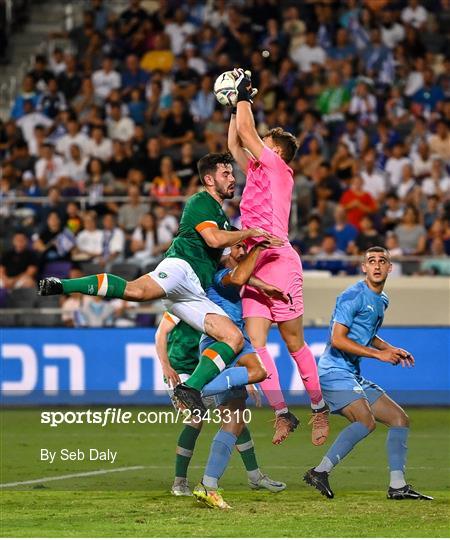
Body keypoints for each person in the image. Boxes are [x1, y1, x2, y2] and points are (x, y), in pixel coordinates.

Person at [38, 152, 282, 414]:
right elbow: (212, 240)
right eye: (226, 174)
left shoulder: (220, 216)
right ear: (209, 179)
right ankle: (61, 285)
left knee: (232, 338)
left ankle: (190, 389)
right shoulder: (200, 202)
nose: (233, 179)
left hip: (194, 289)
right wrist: (247, 233)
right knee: (136, 291)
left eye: (232, 173)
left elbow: (230, 266)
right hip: (180, 268)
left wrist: (263, 284)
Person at [227, 68, 329, 446]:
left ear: (277, 150)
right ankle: (283, 414)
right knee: (255, 343)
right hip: (255, 259)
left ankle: (318, 410)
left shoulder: (277, 166)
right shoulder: (256, 168)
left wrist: (245, 97)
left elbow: (249, 134)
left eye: (266, 142)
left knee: (294, 343)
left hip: (280, 257)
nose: (259, 145)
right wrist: (233, 101)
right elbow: (237, 141)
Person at [156, 239, 286, 502]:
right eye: (238, 248)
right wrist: (259, 250)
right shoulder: (212, 279)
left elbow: (244, 278)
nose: (243, 252)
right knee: (211, 419)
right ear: (225, 253)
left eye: (245, 250)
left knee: (240, 413)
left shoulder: (228, 278)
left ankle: (226, 481)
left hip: (235, 343)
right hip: (219, 343)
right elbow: (237, 277)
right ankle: (193, 480)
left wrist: (266, 287)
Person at [303, 246, 432, 501]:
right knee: (365, 421)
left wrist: (390, 348)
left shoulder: (382, 300)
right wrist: (379, 355)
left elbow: (367, 335)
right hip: (333, 372)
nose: (376, 265)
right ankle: (320, 471)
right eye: (371, 261)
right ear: (363, 267)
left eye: (382, 261)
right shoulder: (352, 296)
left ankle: (398, 486)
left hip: (351, 373)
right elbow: (337, 339)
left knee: (399, 419)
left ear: (389, 268)